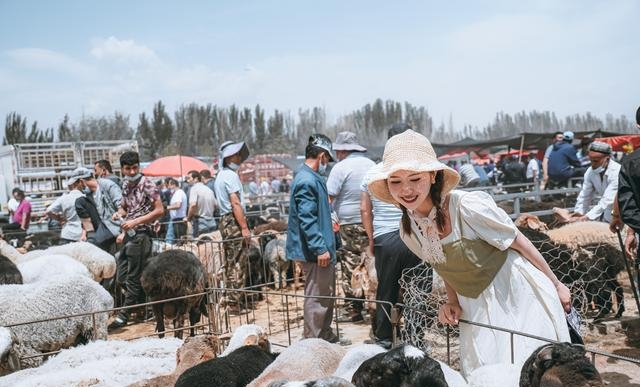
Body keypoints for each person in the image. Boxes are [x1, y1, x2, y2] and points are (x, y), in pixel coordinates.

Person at [367, 129, 571, 377]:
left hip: (513, 293)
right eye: (395, 181)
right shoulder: (408, 229)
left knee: (526, 366)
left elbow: (518, 241)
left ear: (433, 176)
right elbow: (442, 265)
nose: (406, 189)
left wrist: (556, 284)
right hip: (472, 303)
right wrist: (452, 301)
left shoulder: (467, 206)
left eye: (414, 178)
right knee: (485, 371)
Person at [360, 123, 424, 349]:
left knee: (386, 288)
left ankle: (385, 339)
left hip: (385, 238)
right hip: (414, 235)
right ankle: (416, 336)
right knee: (418, 285)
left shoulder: (373, 172)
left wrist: (371, 239)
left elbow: (365, 209)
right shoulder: (418, 170)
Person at [286, 133, 347, 344]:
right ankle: (313, 341)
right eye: (327, 159)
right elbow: (307, 218)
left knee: (325, 294)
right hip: (314, 252)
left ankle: (325, 336)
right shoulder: (306, 180)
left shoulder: (311, 178)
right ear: (322, 156)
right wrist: (320, 248)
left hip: (321, 248)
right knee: (317, 297)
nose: (327, 164)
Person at [108, 151, 164, 330]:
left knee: (132, 278)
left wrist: (136, 221)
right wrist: (119, 214)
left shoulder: (147, 184)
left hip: (141, 235)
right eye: (128, 168)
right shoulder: (125, 184)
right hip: (129, 235)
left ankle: (124, 316)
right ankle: (144, 307)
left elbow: (160, 210)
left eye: (134, 168)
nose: (132, 172)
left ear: (138, 166)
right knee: (122, 275)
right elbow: (125, 207)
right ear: (122, 169)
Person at [326, 131, 376, 323]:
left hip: (349, 225)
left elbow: (329, 196)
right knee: (371, 264)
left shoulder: (340, 168)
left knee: (350, 266)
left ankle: (353, 309)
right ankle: (375, 305)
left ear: (343, 151)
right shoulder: (371, 164)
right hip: (371, 221)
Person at [213, 140, 251, 310]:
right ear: (228, 158)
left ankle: (229, 298)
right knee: (237, 261)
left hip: (224, 220)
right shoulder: (230, 176)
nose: (239, 157)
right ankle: (234, 301)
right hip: (233, 220)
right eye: (236, 155)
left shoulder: (221, 175)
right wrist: (244, 227)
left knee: (230, 260)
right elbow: (235, 203)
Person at [565, 142, 620, 224]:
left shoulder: (617, 172)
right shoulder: (590, 172)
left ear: (607, 159)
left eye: (595, 161)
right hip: (608, 213)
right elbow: (584, 195)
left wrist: (587, 217)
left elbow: (608, 199)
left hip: (622, 211)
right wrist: (578, 214)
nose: (593, 164)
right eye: (591, 161)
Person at [75, 168, 123, 252]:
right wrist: (84, 233)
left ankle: (93, 241)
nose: (76, 188)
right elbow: (86, 217)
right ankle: (91, 235)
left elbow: (122, 209)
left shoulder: (108, 186)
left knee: (91, 247)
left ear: (81, 181)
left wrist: (123, 233)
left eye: (76, 184)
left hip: (113, 225)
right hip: (101, 224)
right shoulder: (88, 195)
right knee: (79, 201)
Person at [46, 168, 87, 244]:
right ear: (78, 183)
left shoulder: (63, 198)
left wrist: (59, 219)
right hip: (82, 235)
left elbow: (48, 211)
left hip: (67, 234)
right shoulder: (86, 198)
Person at [185, 170, 217, 236]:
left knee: (200, 244)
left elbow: (192, 205)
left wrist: (188, 218)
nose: (187, 181)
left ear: (196, 179)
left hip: (201, 222)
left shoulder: (194, 189)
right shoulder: (208, 189)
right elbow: (215, 205)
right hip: (212, 221)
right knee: (211, 245)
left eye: (189, 178)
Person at [165, 177, 188, 244]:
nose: (168, 187)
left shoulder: (178, 193)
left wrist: (167, 207)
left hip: (179, 220)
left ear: (173, 185)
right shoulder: (177, 193)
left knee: (179, 241)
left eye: (169, 185)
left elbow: (178, 205)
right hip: (176, 219)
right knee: (177, 240)